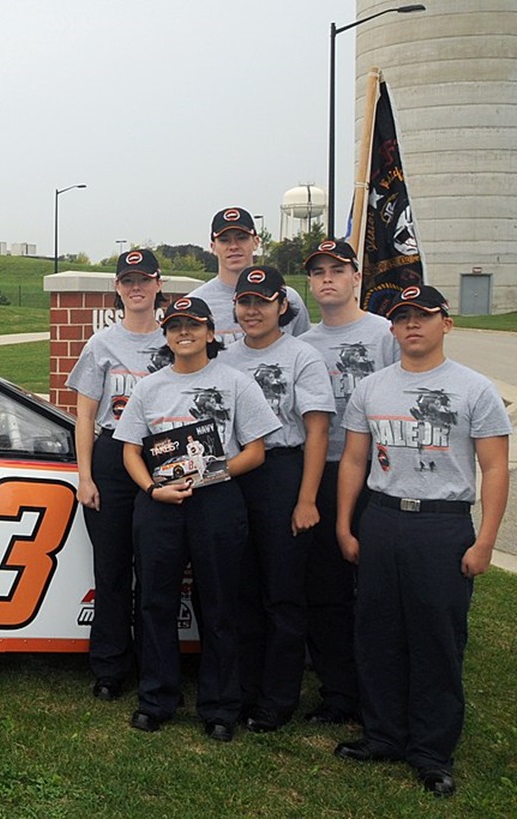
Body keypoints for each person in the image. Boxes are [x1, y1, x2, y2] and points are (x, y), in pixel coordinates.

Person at [334, 284, 508, 798]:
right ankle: (383, 734)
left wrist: (485, 542)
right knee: (377, 632)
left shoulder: (473, 388)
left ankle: (432, 751)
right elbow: (353, 460)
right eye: (402, 317)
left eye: (423, 316)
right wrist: (346, 524)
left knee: (436, 638)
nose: (412, 325)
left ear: (445, 324)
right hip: (383, 518)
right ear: (391, 328)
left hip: (442, 525)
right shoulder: (373, 387)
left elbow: (495, 469)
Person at [113, 296, 279, 742]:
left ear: (211, 333)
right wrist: (152, 489)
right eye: (174, 326)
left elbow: (256, 451)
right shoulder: (150, 387)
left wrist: (211, 474)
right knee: (155, 602)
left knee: (221, 604)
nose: (183, 332)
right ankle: (156, 699)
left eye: (193, 325)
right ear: (166, 337)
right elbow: (130, 448)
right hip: (160, 502)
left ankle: (221, 706)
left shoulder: (236, 383)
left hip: (218, 501)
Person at [216, 265, 334, 733]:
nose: (252, 310)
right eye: (245, 301)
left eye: (262, 301)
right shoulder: (223, 358)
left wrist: (307, 500)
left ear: (282, 305)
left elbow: (318, 428)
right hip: (235, 474)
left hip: (282, 472)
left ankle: (277, 699)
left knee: (282, 593)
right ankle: (243, 689)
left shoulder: (301, 356)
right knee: (239, 589)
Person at [298, 239, 398, 725]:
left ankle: (381, 691)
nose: (328, 279)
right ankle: (338, 694)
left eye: (337, 269)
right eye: (318, 272)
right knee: (328, 589)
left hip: (379, 475)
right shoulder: (303, 345)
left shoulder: (385, 334)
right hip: (323, 470)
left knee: (376, 590)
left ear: (357, 277)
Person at [66, 248, 169, 701]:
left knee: (156, 571)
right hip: (111, 458)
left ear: (159, 283)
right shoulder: (101, 345)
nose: (136, 288)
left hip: (163, 455)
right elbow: (85, 416)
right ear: (117, 289)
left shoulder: (177, 338)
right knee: (110, 570)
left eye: (144, 279)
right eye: (128, 281)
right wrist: (85, 476)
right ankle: (110, 668)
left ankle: (155, 668)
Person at [187, 207, 311, 346]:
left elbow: (305, 349)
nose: (233, 246)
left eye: (242, 238)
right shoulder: (195, 304)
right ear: (213, 247)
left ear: (256, 242)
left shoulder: (287, 298)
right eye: (224, 240)